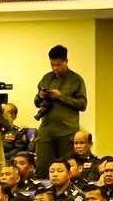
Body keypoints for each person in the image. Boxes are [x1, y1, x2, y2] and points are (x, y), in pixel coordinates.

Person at [33, 45, 88, 175]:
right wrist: (41, 96)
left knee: (66, 169)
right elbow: (36, 102)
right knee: (42, 168)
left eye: (58, 65)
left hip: (67, 131)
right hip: (46, 130)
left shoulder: (76, 79)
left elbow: (82, 104)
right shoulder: (47, 78)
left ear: (65, 61)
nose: (55, 68)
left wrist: (60, 97)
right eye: (52, 65)